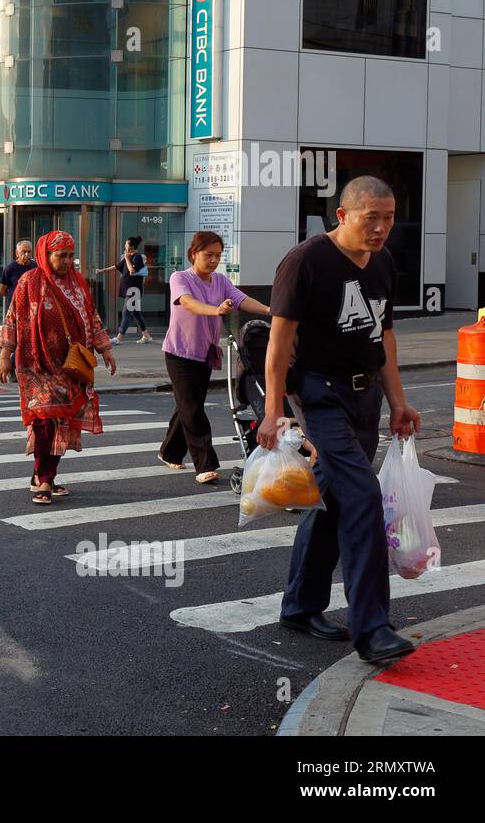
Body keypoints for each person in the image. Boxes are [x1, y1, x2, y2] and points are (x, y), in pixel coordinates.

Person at [261, 176, 419, 664]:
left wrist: (398, 401)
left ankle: (300, 605)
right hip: (320, 393)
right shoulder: (306, 261)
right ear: (343, 215)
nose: (381, 228)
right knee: (361, 494)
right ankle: (372, 628)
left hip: (364, 395)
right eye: (371, 217)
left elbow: (384, 336)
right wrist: (273, 413)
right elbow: (279, 342)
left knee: (331, 496)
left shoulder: (385, 263)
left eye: (388, 217)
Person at [0, 231, 116, 502]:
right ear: (46, 255)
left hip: (70, 366)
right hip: (35, 364)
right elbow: (13, 317)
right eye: (61, 255)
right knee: (45, 420)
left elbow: (91, 317)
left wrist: (105, 349)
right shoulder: (29, 281)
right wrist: (5, 355)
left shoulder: (77, 284)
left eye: (71, 256)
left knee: (62, 422)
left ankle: (42, 474)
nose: (67, 261)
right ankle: (45, 480)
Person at [158, 231, 271, 483]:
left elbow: (241, 299)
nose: (213, 260)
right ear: (193, 254)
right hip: (179, 352)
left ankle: (169, 451)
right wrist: (216, 309)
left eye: (218, 255)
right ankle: (204, 464)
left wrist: (270, 310)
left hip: (204, 352)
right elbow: (187, 303)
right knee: (192, 406)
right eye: (208, 255)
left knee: (189, 402)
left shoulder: (220, 280)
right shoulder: (180, 278)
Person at [96, 235, 152, 344]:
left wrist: (126, 258)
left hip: (134, 291)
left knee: (126, 313)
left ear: (131, 247)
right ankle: (146, 336)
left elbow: (132, 271)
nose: (124, 246)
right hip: (130, 290)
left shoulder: (137, 257)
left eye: (126, 244)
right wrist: (102, 270)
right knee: (136, 314)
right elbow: (116, 267)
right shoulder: (129, 257)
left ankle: (119, 338)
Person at [0, 240, 35, 316]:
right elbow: (2, 290)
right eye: (23, 252)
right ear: (17, 253)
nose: (26, 254)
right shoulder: (10, 268)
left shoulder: (35, 267)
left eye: (29, 252)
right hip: (14, 309)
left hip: (31, 308)